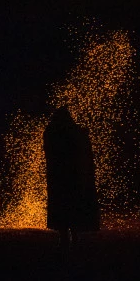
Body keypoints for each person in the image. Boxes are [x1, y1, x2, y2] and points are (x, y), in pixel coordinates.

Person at [43, 106, 99, 249]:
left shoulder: (54, 133)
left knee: (62, 206)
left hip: (61, 178)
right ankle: (73, 236)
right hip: (73, 177)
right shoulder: (75, 133)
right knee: (73, 206)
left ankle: (65, 238)